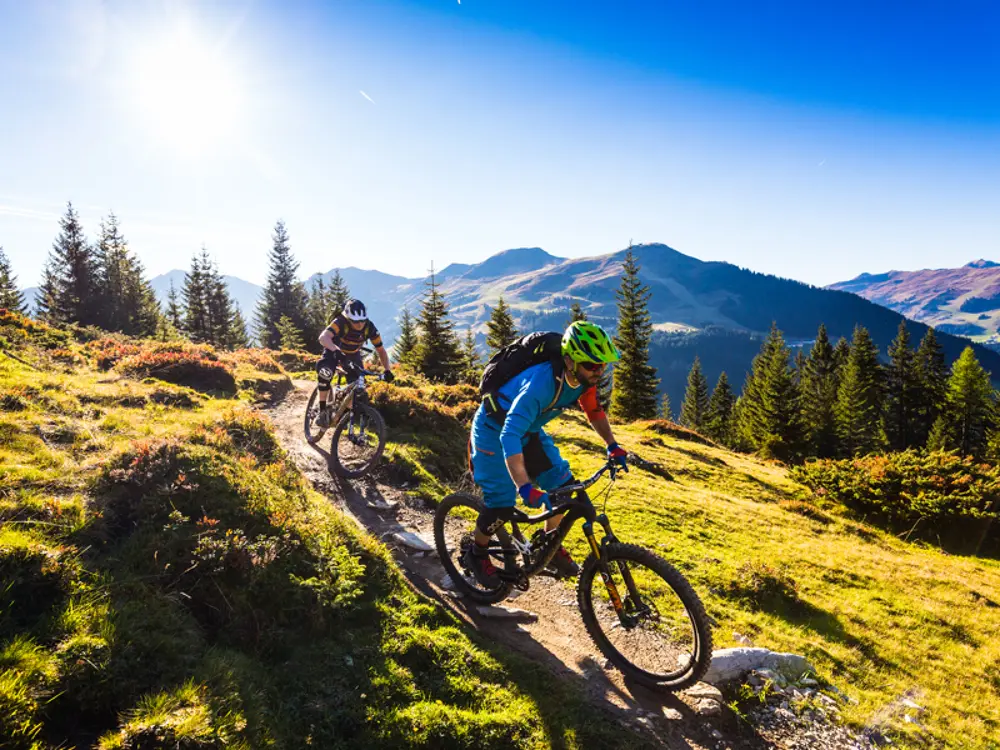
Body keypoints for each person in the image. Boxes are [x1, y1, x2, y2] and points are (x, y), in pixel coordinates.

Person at [463, 321, 628, 587]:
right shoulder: (541, 385)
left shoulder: (584, 381)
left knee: (564, 487)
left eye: (602, 365)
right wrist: (524, 486)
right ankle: (476, 553)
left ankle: (548, 548)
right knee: (501, 505)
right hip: (494, 430)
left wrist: (612, 444)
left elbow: (594, 412)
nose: (598, 371)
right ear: (570, 360)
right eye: (591, 365)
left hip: (528, 431)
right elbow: (509, 435)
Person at [315, 298, 394, 428]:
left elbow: (380, 349)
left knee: (357, 389)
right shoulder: (340, 322)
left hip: (353, 354)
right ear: (348, 318)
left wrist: (387, 370)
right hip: (334, 350)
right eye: (355, 321)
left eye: (362, 321)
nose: (360, 324)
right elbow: (323, 337)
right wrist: (335, 350)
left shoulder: (370, 327)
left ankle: (342, 416)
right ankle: (322, 411)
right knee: (326, 374)